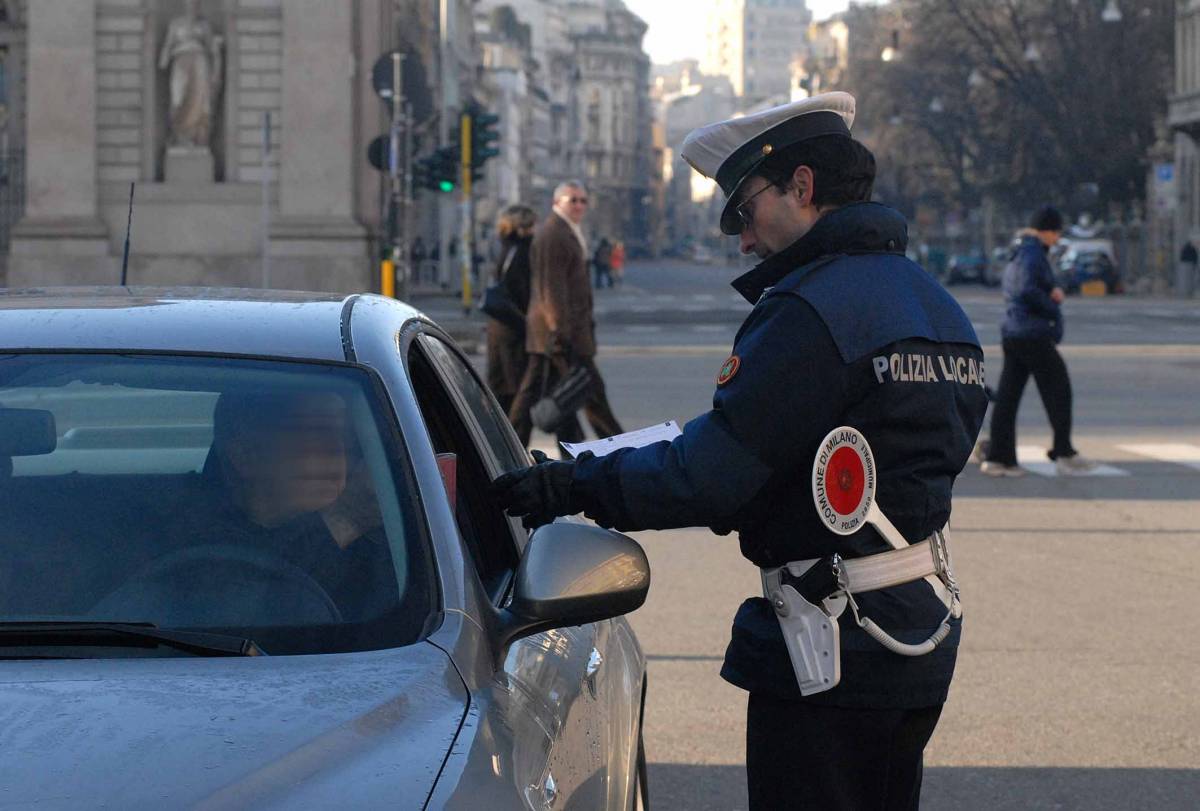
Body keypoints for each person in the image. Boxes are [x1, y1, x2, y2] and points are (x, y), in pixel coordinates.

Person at [492, 93, 988, 809]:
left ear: (802, 186)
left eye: (743, 210)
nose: (742, 239)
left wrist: (571, 484)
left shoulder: (809, 311)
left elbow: (711, 475)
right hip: (917, 635)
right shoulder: (940, 306)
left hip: (828, 651)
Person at [185, 390, 396, 620]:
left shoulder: (391, 541)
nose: (337, 448)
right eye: (315, 429)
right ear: (246, 454)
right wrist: (346, 518)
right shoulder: (195, 547)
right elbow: (250, 617)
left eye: (344, 434)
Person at [981, 207, 1097, 477]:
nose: (1057, 238)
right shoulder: (1032, 254)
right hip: (1031, 334)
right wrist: (1052, 299)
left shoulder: (1020, 251)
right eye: (1055, 232)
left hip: (1015, 333)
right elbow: (1026, 290)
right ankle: (1063, 451)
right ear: (1045, 231)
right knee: (1059, 389)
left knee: (1008, 398)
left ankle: (1000, 458)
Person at [507, 180, 624, 447]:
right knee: (592, 394)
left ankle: (513, 446)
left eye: (583, 200)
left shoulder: (566, 231)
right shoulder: (554, 234)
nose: (580, 205)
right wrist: (560, 332)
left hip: (557, 333)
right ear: (557, 202)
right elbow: (552, 288)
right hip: (561, 333)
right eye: (573, 200)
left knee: (542, 393)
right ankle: (621, 447)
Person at [485, 204, 536, 416]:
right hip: (513, 328)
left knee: (503, 389)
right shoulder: (521, 251)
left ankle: (499, 438)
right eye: (532, 224)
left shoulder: (505, 247)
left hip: (499, 327)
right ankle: (510, 441)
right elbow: (522, 291)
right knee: (517, 390)